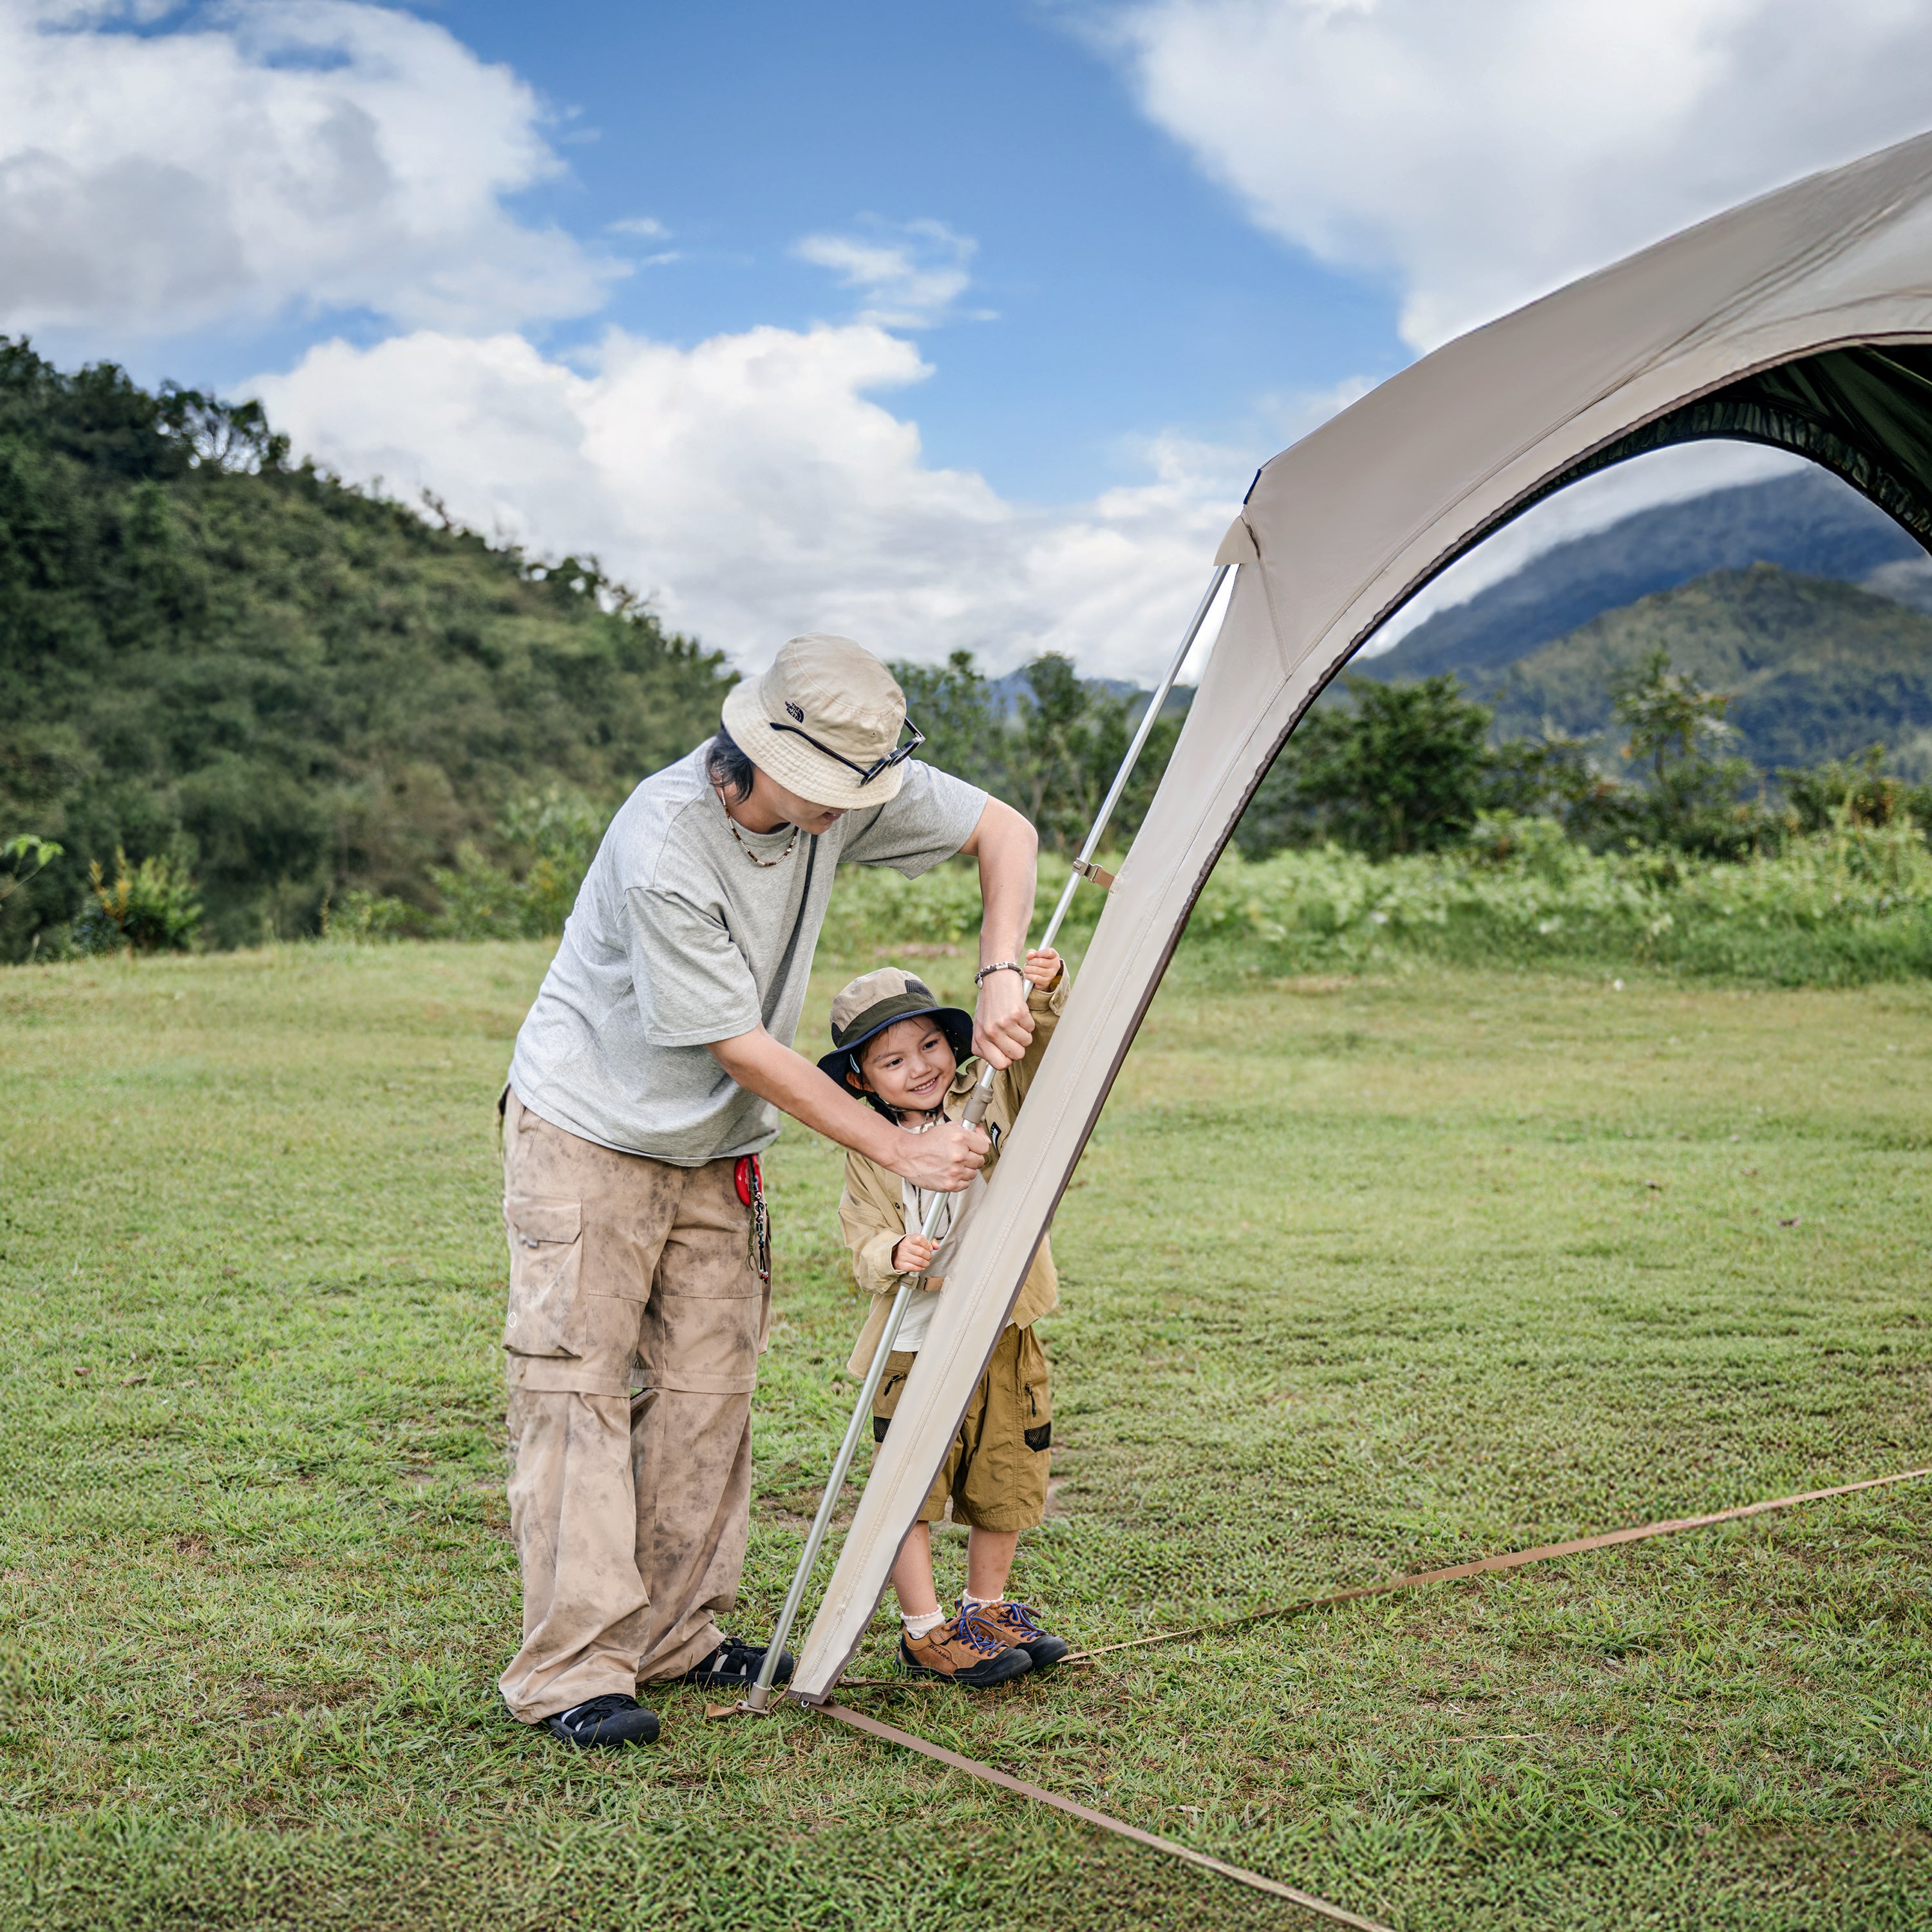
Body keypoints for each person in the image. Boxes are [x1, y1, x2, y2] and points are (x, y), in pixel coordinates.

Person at [497, 634, 1039, 1748]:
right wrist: (899, 1152)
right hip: (588, 1128)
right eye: (833, 793)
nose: (852, 810)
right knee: (578, 1392)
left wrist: (997, 967)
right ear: (760, 755)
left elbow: (1006, 831)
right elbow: (739, 1044)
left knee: (710, 1393)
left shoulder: (836, 797)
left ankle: (678, 1639)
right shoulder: (664, 845)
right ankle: (572, 1674)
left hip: (715, 1149)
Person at [821, 947, 1074, 1688]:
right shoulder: (872, 1152)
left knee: (1008, 1471)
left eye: (930, 1044)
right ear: (862, 1082)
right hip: (917, 1345)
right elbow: (860, 1237)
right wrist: (893, 1250)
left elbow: (1047, 1058)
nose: (921, 1066)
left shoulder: (989, 1094)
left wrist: (1045, 992)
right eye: (893, 1060)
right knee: (913, 1486)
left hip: (1005, 1328)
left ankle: (983, 1611)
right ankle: (925, 1630)